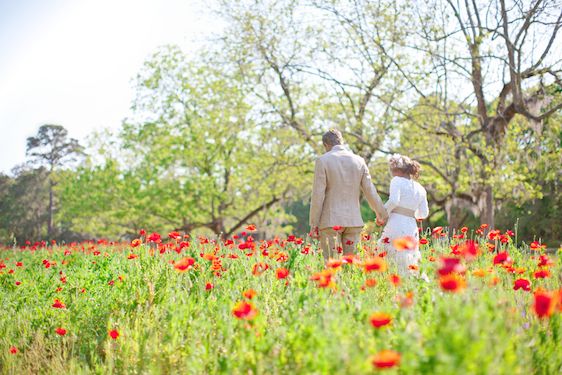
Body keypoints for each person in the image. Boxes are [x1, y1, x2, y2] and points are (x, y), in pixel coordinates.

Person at [309, 129, 388, 260]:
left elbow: (318, 195)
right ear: (341, 141)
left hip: (330, 220)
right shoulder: (359, 161)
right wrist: (381, 214)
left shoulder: (323, 161)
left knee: (331, 265)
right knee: (352, 266)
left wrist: (314, 224)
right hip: (353, 220)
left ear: (326, 145)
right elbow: (370, 190)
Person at [379, 154, 429, 276]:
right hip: (411, 226)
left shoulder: (397, 181)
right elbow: (424, 213)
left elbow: (394, 201)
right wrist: (411, 212)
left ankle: (389, 281)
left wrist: (382, 214)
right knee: (409, 256)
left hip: (396, 222)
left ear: (396, 169)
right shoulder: (420, 188)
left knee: (386, 251)